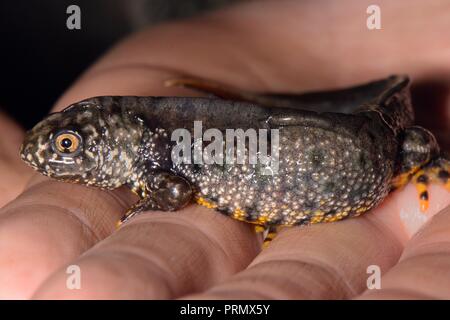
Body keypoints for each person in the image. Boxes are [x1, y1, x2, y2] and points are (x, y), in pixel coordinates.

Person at [0, 0, 449, 299]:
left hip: (368, 150)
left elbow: (174, 194)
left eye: (68, 145)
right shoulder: (159, 149)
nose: (59, 154)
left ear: (118, 136)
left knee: (413, 149)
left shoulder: (158, 161)